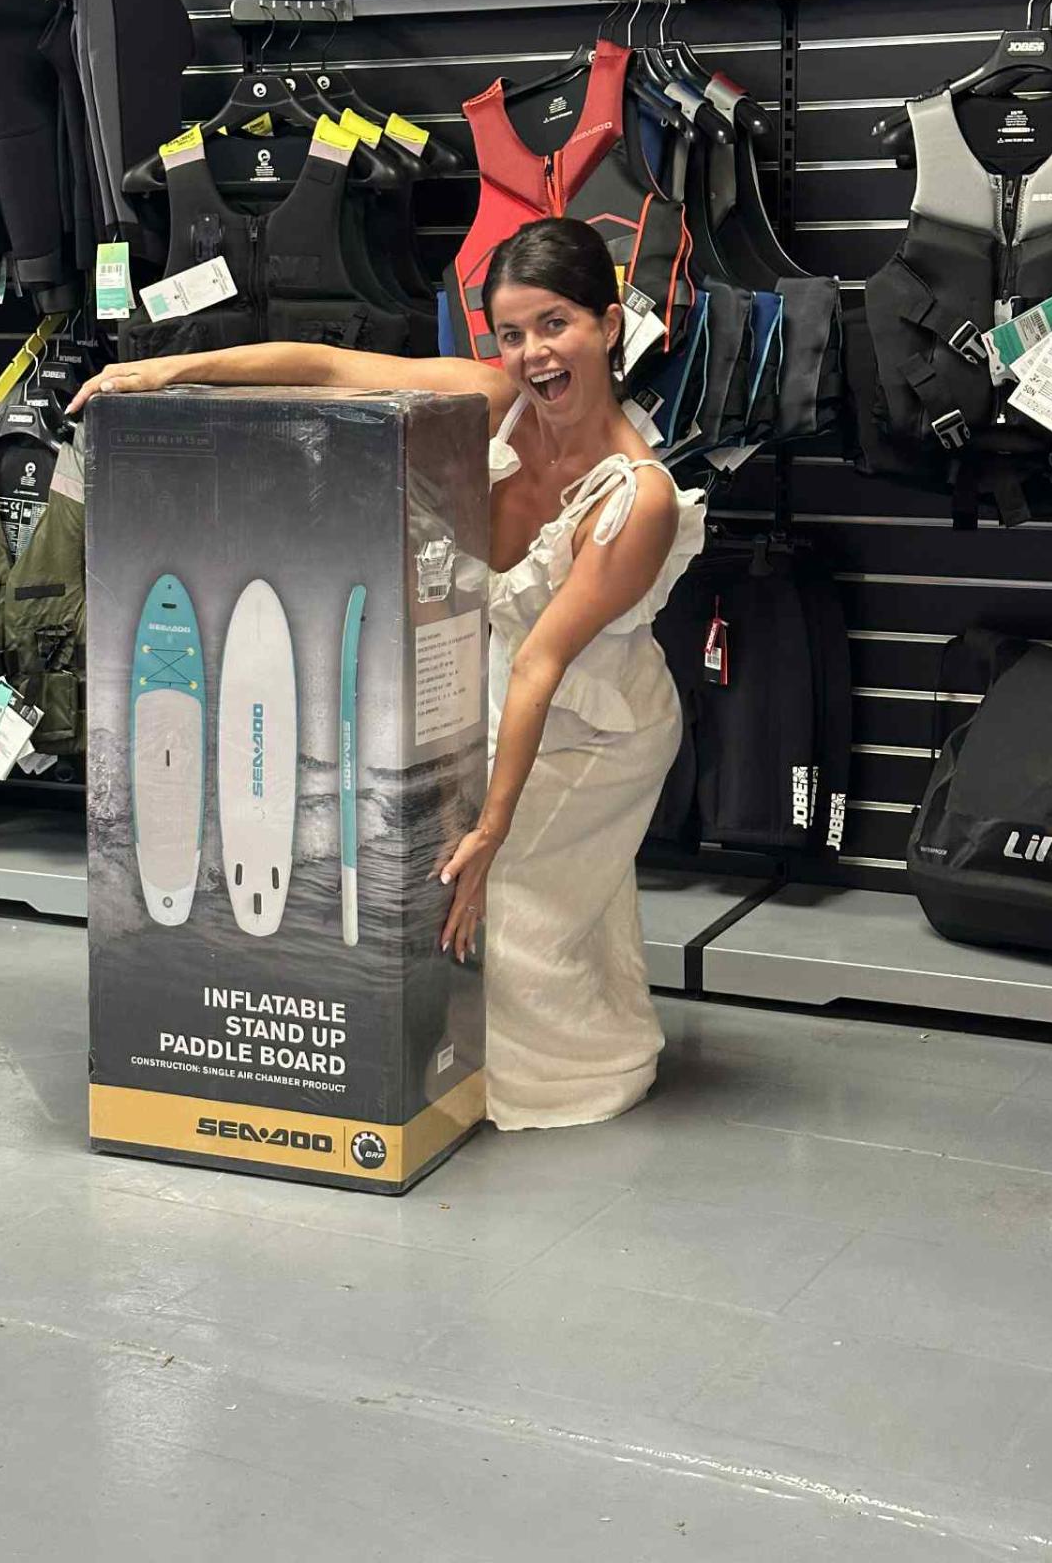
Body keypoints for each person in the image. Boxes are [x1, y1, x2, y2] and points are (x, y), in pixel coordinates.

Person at [69, 218, 706, 1130]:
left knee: (511, 891)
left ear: (608, 325)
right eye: (512, 333)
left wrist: (490, 827)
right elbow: (330, 370)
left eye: (555, 324)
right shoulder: (495, 404)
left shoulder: (638, 499)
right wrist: (166, 372)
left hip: (596, 726)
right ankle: (560, 1042)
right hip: (504, 689)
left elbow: (542, 660)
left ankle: (558, 1076)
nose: (533, 353)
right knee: (538, 896)